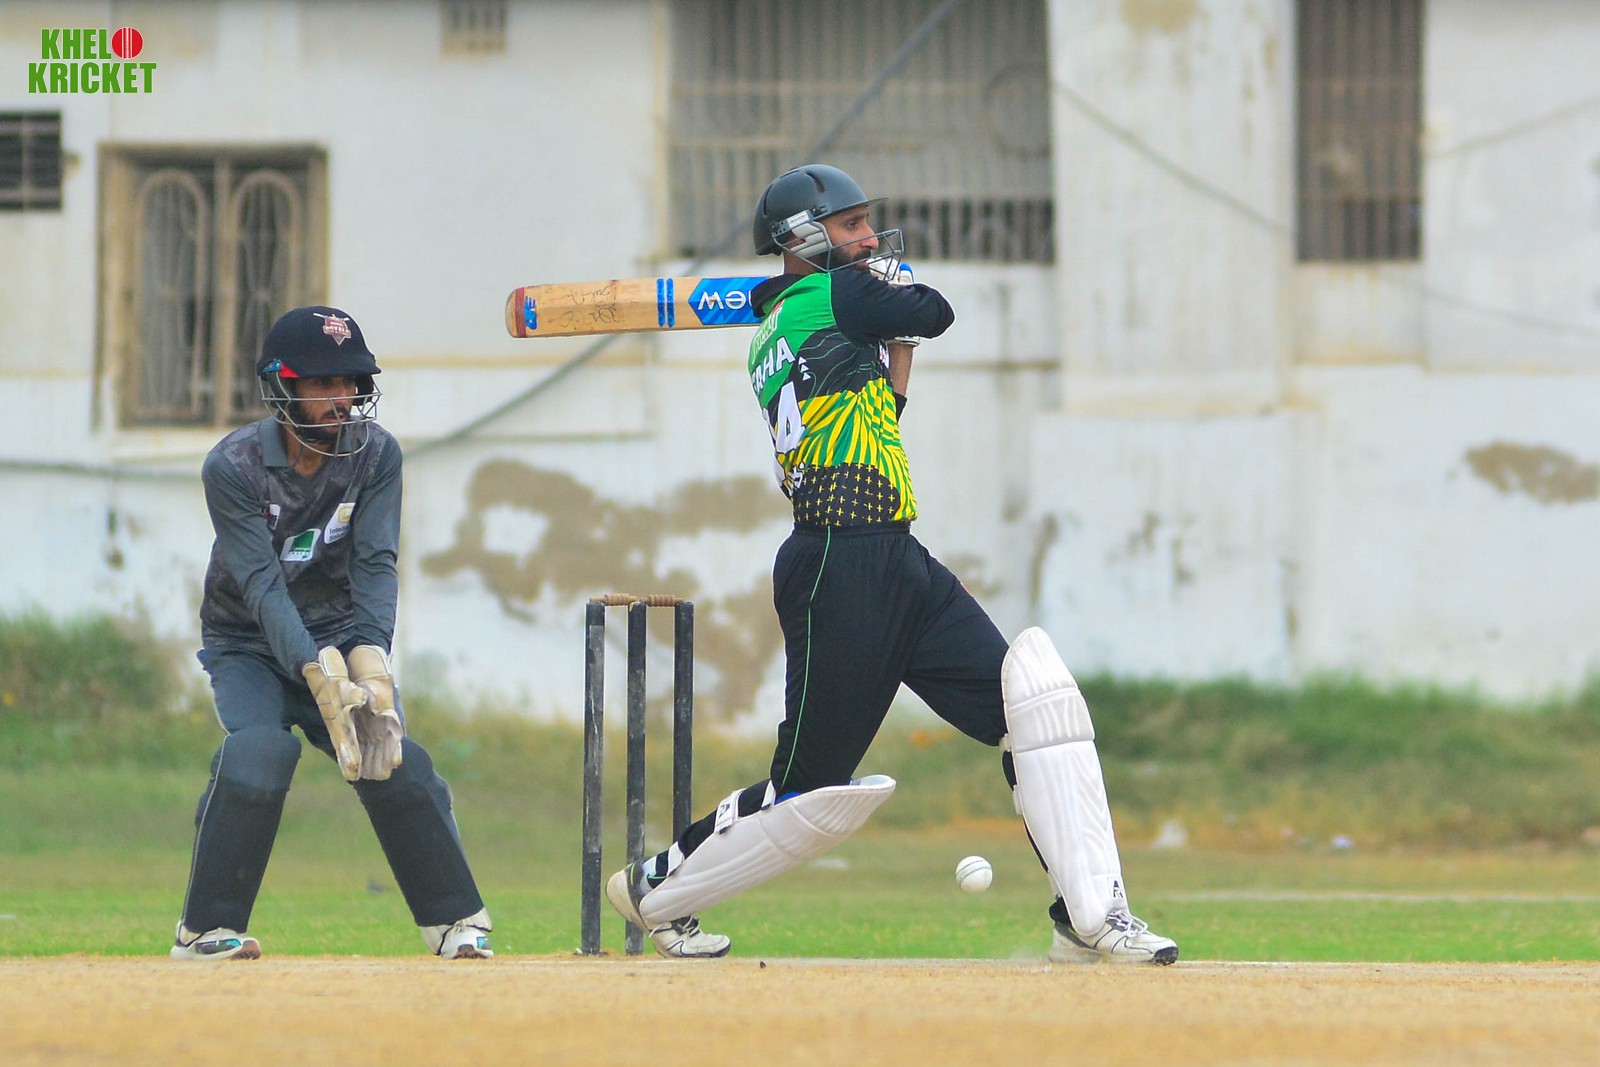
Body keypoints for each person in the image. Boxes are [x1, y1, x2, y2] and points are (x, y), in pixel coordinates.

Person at [607, 164, 1177, 965]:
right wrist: (899, 293)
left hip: (896, 555)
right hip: (838, 562)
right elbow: (935, 311)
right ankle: (655, 889)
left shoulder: (784, 328)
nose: (869, 237)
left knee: (1033, 704)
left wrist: (895, 350)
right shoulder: (837, 295)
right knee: (808, 788)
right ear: (804, 238)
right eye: (851, 226)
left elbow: (881, 417)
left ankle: (1088, 918)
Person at [169, 305, 493, 961]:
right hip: (248, 642)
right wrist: (318, 675)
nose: (341, 398)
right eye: (323, 383)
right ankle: (203, 930)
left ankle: (455, 923)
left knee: (389, 754)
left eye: (350, 382)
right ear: (283, 386)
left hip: (341, 631)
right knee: (260, 754)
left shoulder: (377, 454)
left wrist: (370, 663)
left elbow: (376, 563)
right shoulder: (232, 466)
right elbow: (260, 584)